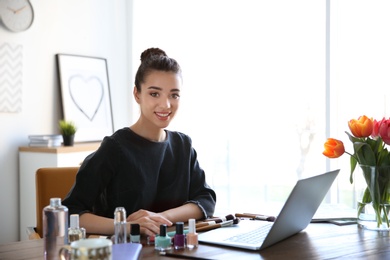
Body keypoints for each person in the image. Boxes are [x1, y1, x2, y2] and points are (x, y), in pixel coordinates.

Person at [62, 48, 216, 237]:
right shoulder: (115, 148)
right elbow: (69, 213)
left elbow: (206, 199)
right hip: (123, 252)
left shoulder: (183, 145)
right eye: (154, 94)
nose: (166, 105)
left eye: (174, 95)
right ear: (137, 94)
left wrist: (160, 218)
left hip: (171, 250)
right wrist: (127, 225)